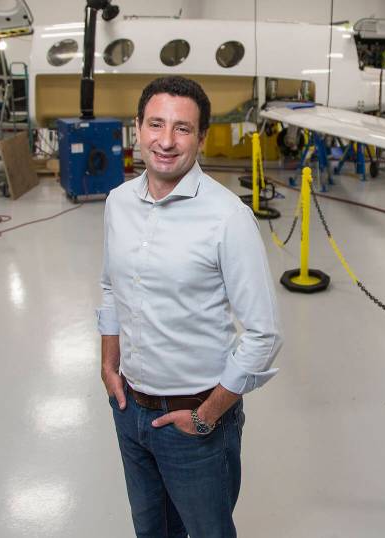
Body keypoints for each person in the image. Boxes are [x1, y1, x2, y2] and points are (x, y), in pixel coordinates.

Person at [97, 76, 283, 538]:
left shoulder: (227, 218)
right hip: (129, 409)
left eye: (182, 129)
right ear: (136, 127)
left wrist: (207, 415)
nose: (165, 141)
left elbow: (264, 334)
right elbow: (109, 287)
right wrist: (108, 364)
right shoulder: (118, 203)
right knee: (151, 531)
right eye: (155, 124)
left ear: (201, 138)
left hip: (195, 423)